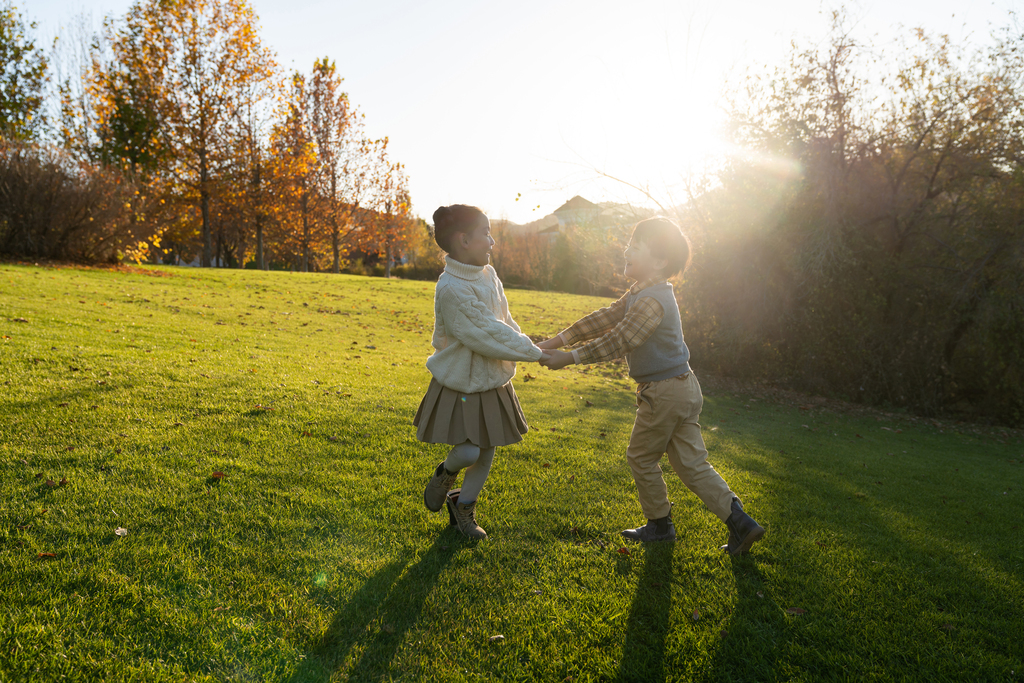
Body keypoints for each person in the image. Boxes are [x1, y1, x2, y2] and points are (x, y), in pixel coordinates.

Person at [538, 216, 765, 554]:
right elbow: (607, 316)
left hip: (663, 392)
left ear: (659, 261)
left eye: (636, 246)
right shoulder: (642, 291)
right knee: (692, 463)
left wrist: (570, 358)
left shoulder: (652, 300)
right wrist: (556, 341)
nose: (627, 250)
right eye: (629, 243)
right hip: (683, 387)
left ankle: (660, 525)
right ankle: (740, 523)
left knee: (641, 457)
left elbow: (622, 339)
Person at [415, 204, 548, 539]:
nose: (492, 242)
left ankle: (463, 508)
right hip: (460, 381)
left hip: (491, 379)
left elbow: (504, 321)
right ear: (464, 240)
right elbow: (485, 332)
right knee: (470, 450)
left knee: (486, 451)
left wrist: (528, 344)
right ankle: (445, 473)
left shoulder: (488, 273)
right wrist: (534, 354)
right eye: (485, 234)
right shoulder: (451, 288)